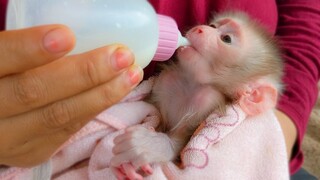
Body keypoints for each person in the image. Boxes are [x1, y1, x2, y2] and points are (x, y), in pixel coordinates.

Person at [0, 0, 319, 178]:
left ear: (254, 94)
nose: (204, 28)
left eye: (225, 38)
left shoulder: (227, 104)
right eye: (217, 26)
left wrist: (286, 123)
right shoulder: (168, 80)